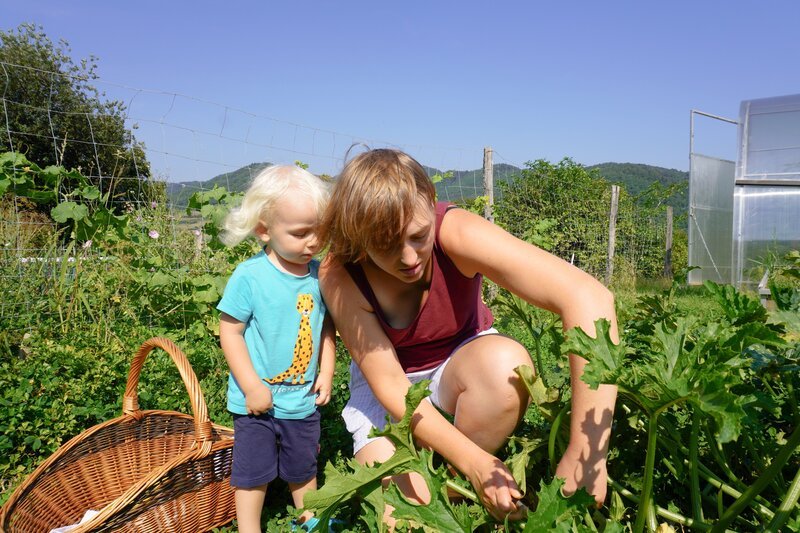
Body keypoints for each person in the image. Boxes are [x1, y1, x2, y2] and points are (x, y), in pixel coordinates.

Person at [317, 148, 619, 523]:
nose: (409, 258)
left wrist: (586, 452)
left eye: (418, 236)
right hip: (391, 387)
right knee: (406, 520)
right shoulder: (340, 273)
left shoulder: (456, 232)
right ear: (358, 236)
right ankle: (457, 475)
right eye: (385, 246)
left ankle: (455, 483)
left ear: (430, 202)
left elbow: (588, 297)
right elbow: (392, 385)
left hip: (462, 362)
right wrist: (478, 463)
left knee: (505, 367)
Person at [217, 164, 336, 533]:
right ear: (264, 230)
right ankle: (248, 528)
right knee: (252, 473)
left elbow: (327, 326)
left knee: (303, 469)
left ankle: (310, 521)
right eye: (301, 233)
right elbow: (230, 331)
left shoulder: (320, 275)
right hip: (255, 404)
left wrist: (327, 369)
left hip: (300, 400)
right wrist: (252, 385)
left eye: (320, 231)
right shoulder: (250, 276)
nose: (313, 242)